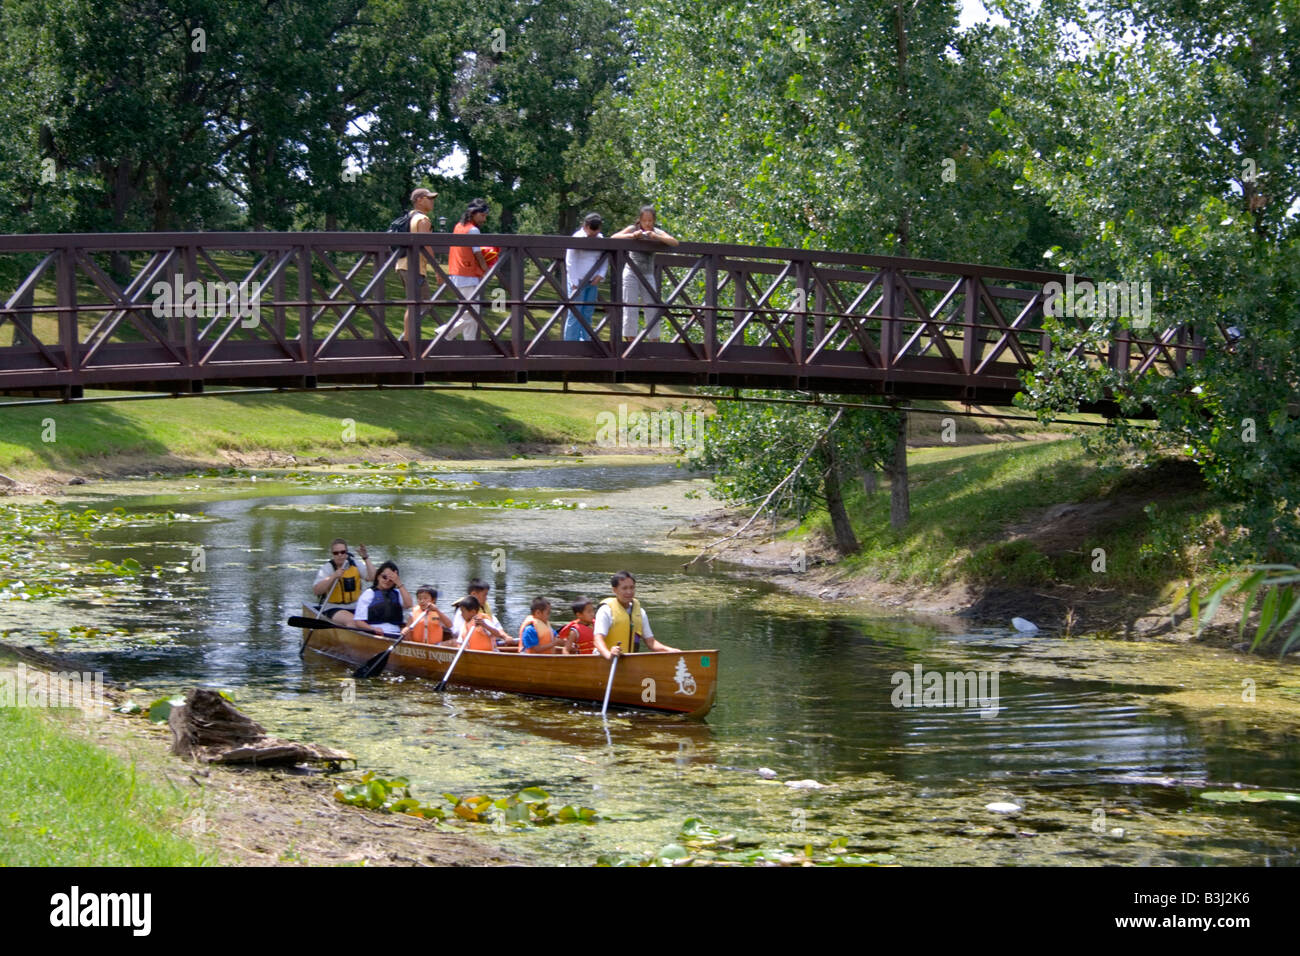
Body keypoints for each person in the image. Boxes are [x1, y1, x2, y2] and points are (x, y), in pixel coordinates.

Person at [611, 206, 679, 342]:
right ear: (640, 220)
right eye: (644, 220)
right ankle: (630, 342)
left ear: (654, 220)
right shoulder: (633, 229)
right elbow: (614, 237)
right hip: (631, 272)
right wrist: (632, 236)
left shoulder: (656, 231)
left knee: (652, 307)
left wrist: (657, 237)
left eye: (650, 220)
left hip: (648, 274)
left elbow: (674, 242)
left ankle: (654, 341)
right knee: (630, 306)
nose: (647, 223)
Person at [593, 571, 680, 660]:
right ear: (615, 590)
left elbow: (651, 642)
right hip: (604, 660)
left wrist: (670, 650)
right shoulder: (606, 610)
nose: (629, 592)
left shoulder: (640, 612)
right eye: (624, 588)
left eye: (632, 587)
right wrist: (609, 655)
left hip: (627, 661)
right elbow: (598, 640)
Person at [439, 198, 491, 341]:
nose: (484, 219)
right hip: (468, 275)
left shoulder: (458, 226)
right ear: (473, 213)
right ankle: (444, 332)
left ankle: (470, 346)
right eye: (482, 215)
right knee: (472, 314)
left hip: (457, 273)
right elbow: (478, 253)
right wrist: (486, 269)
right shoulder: (473, 230)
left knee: (468, 315)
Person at [395, 188, 437, 328]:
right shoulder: (423, 220)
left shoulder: (410, 216)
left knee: (414, 304)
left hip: (402, 264)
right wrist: (437, 270)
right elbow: (426, 245)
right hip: (415, 268)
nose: (432, 201)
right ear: (419, 200)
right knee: (421, 305)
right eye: (429, 198)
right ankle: (409, 344)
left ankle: (408, 343)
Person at [312, 539, 376, 626]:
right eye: (336, 553)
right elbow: (316, 591)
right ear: (332, 554)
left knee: (376, 617)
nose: (340, 555)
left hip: (356, 606)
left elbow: (372, 577)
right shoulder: (327, 568)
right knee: (352, 621)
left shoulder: (355, 564)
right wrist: (333, 576)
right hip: (334, 608)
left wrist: (366, 558)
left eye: (342, 552)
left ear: (346, 552)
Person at [564, 213, 607, 341]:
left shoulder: (600, 239)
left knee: (588, 313)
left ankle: (585, 342)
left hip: (592, 281)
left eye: (597, 230)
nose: (594, 233)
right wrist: (573, 282)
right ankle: (571, 344)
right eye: (592, 230)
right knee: (575, 313)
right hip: (577, 281)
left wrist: (601, 274)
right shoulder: (577, 237)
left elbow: (605, 258)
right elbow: (570, 261)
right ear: (586, 226)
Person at [354, 561, 414, 637]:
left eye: (391, 579)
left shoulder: (398, 592)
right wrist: (372, 628)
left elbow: (409, 605)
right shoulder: (369, 593)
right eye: (384, 577)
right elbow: (358, 621)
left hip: (396, 633)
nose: (387, 581)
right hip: (375, 633)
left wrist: (399, 584)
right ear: (378, 576)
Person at [450, 577, 512, 646]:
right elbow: (457, 632)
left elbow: (496, 627)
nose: (486, 598)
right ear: (474, 594)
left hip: (490, 642)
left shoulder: (484, 609)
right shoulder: (463, 610)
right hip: (467, 644)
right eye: (484, 595)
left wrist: (505, 636)